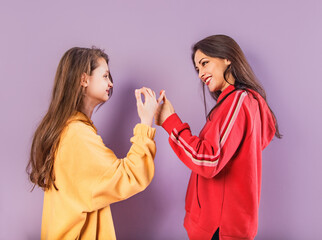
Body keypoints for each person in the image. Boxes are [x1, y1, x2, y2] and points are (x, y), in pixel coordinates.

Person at [155, 35, 282, 240]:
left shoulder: (239, 100)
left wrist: (171, 122)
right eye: (198, 69)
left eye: (205, 63)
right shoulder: (230, 104)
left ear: (227, 58)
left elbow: (208, 159)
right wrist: (167, 121)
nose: (201, 74)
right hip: (213, 227)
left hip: (220, 230)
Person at [27, 47, 159, 239]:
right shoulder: (77, 135)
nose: (111, 83)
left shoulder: (69, 130)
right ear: (84, 79)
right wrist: (146, 122)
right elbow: (129, 175)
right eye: (105, 76)